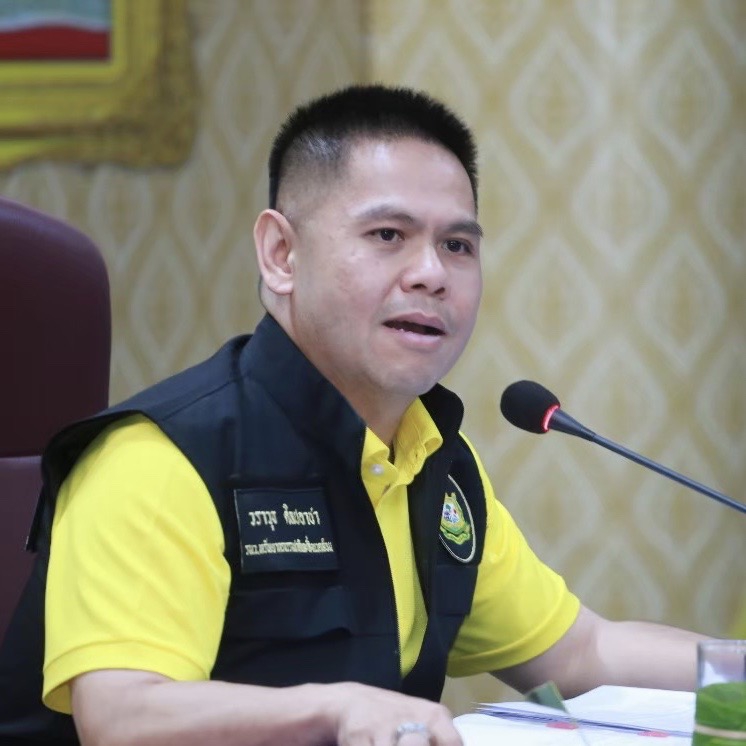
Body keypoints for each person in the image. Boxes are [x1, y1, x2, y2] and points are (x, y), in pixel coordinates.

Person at [0, 84, 705, 746]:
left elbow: (583, 652)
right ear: (281, 254)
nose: (432, 274)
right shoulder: (163, 458)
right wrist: (336, 709)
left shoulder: (429, 458)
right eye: (389, 235)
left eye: (457, 245)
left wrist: (732, 666)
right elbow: (121, 716)